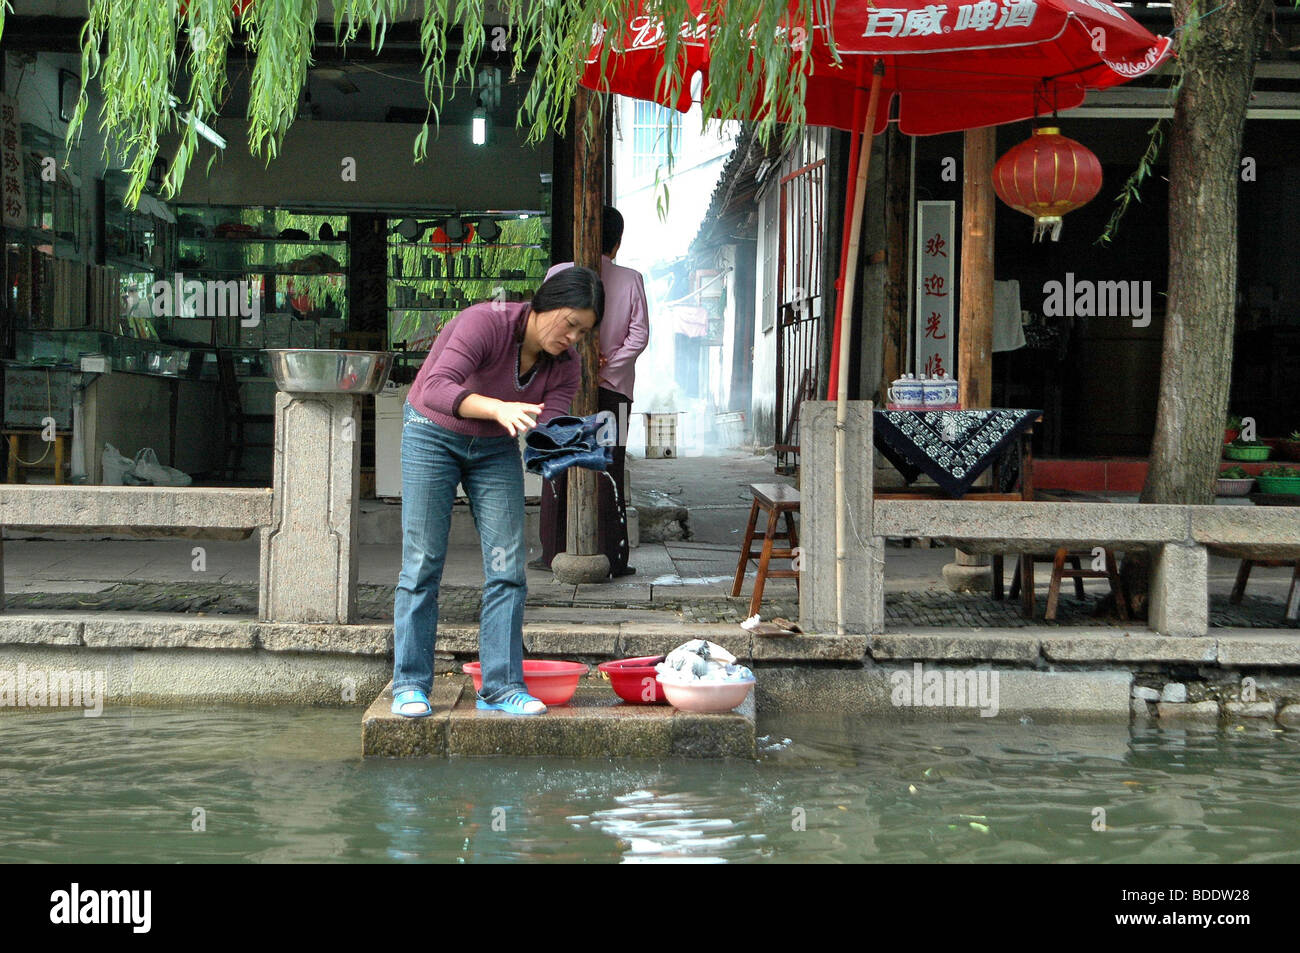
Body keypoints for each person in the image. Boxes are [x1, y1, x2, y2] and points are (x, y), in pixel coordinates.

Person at [392, 267, 604, 718]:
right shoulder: (484, 322)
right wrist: (497, 408)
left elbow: (546, 428)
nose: (572, 338)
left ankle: (502, 687)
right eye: (569, 323)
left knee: (509, 565)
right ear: (543, 303)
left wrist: (572, 444)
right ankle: (410, 684)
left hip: (493, 446)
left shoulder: (566, 366)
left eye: (582, 332)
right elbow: (434, 388)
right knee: (423, 560)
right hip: (432, 432)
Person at [534, 206, 649, 577]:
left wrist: (577, 363)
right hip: (613, 392)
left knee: (558, 465)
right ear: (615, 243)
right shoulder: (631, 278)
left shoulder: (556, 274)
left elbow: (541, 326)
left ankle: (551, 551)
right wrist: (605, 365)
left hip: (561, 389)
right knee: (609, 467)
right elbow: (639, 335)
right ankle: (613, 557)